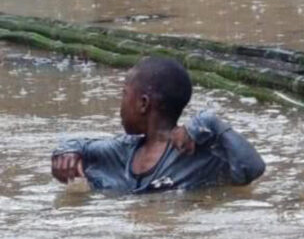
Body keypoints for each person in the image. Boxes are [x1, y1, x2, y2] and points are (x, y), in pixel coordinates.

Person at [51, 56, 265, 193]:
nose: (120, 105)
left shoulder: (198, 154)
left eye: (124, 95)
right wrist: (66, 152)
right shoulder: (123, 150)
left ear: (143, 104)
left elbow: (252, 168)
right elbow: (79, 145)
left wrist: (211, 121)